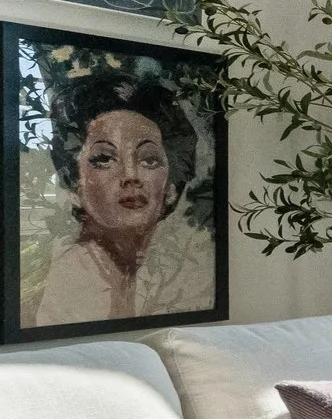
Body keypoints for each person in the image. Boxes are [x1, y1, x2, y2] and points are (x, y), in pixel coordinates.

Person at [28, 72, 216, 327]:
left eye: (149, 159)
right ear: (74, 185)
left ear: (170, 187)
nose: (131, 176)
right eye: (104, 158)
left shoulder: (176, 275)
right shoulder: (70, 279)